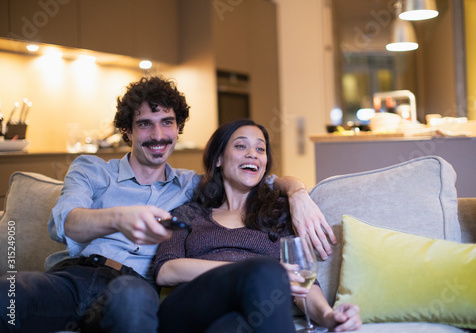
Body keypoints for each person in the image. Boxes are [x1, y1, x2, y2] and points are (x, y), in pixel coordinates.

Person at [0, 76, 335, 333]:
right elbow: (66, 222)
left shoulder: (192, 186)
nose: (158, 134)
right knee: (9, 296)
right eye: (145, 123)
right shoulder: (94, 170)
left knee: (132, 302)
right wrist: (119, 218)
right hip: (73, 278)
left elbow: (252, 176)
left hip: (133, 287)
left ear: (178, 129)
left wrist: (298, 193)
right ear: (127, 131)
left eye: (167, 123)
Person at [153, 119, 362, 333]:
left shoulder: (279, 214)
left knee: (230, 327)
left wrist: (329, 317)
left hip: (245, 315)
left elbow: (302, 282)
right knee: (266, 270)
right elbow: (165, 270)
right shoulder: (188, 213)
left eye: (260, 149)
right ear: (218, 159)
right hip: (190, 308)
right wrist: (246, 272)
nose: (253, 153)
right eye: (241, 146)